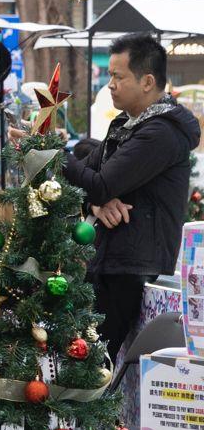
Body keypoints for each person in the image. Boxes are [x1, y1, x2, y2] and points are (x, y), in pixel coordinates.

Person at [62, 33, 200, 354]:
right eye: (110, 75)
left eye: (118, 76)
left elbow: (99, 183)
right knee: (84, 355)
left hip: (133, 266)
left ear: (147, 81)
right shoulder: (126, 123)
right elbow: (91, 179)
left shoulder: (161, 132)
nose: (110, 84)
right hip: (109, 258)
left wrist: (52, 153)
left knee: (95, 360)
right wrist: (96, 205)